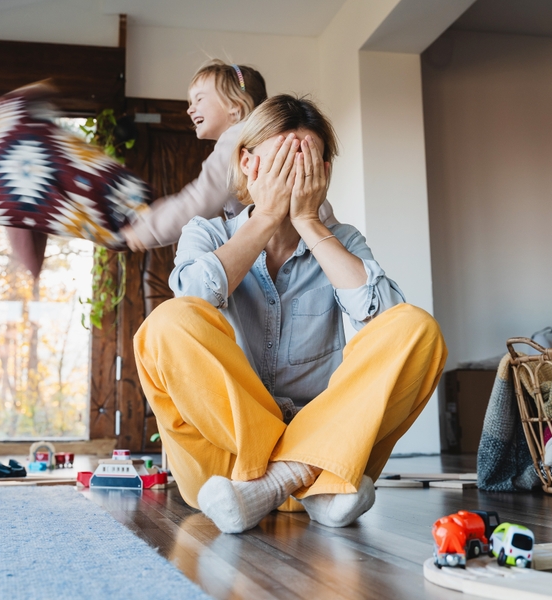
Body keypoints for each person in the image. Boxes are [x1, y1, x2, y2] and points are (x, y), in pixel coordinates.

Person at [134, 95, 446, 533]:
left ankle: (278, 482)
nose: (293, 173)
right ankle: (301, 476)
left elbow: (387, 324)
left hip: (322, 452)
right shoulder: (206, 232)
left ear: (325, 173)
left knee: (419, 329)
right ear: (247, 163)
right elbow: (194, 298)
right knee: (165, 324)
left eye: (307, 162)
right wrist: (264, 218)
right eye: (281, 159)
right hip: (228, 468)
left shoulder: (342, 240)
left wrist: (309, 223)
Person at [123, 59, 335, 251]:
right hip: (316, 234)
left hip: (305, 239)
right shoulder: (249, 138)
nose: (189, 109)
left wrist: (146, 231)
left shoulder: (235, 138)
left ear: (235, 106)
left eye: (198, 99)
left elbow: (199, 199)